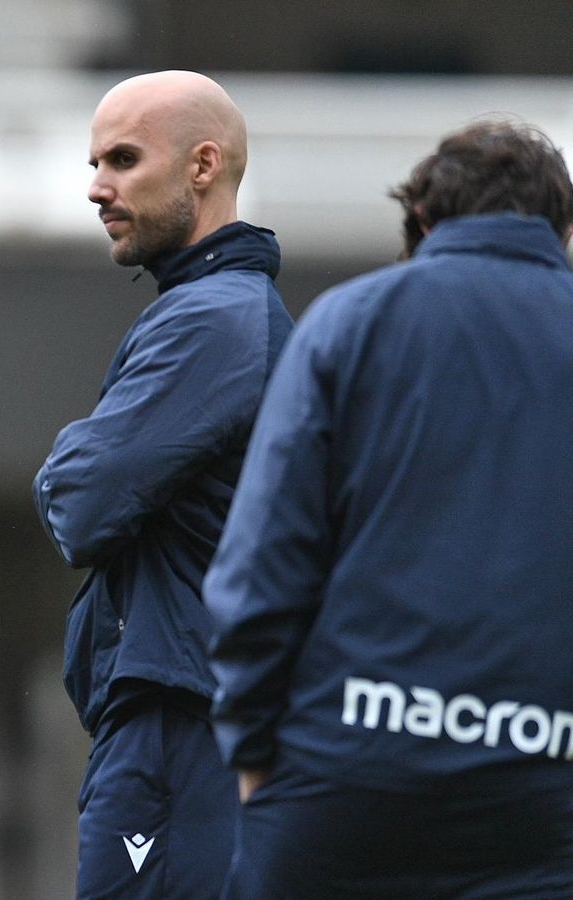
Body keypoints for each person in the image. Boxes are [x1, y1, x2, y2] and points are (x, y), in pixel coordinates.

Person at [205, 120, 573, 898]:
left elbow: (264, 561)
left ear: (425, 225)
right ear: (563, 233)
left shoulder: (351, 321)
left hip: (349, 773)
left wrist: (250, 749)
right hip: (546, 799)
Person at [32, 71, 293, 897]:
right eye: (95, 160)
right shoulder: (207, 308)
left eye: (122, 159)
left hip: (183, 722)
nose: (96, 187)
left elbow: (79, 500)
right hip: (182, 711)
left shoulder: (214, 319)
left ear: (203, 165)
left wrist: (70, 458)